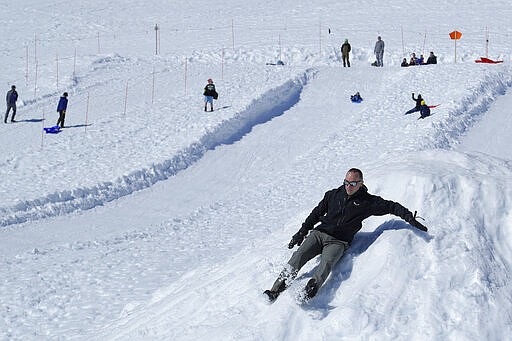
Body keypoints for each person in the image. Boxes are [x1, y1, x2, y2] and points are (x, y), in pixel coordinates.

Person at [263, 168, 427, 302]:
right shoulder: (333, 195)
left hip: (338, 242)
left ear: (361, 183)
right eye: (346, 182)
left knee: (326, 263)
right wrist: (301, 233)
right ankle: (275, 290)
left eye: (353, 183)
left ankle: (308, 292)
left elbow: (391, 206)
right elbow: (315, 214)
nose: (349, 186)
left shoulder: (367, 202)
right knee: (298, 257)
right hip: (320, 233)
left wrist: (409, 218)